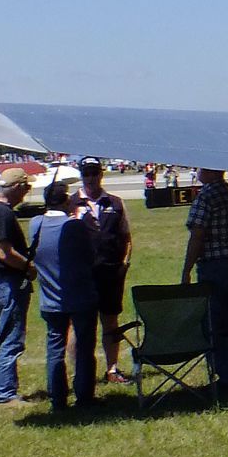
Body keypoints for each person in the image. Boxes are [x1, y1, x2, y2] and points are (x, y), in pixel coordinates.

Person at [28, 181, 98, 411]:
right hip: (78, 295)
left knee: (55, 348)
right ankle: (84, 396)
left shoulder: (35, 224)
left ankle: (58, 398)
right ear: (66, 200)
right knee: (83, 348)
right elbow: (90, 256)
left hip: (49, 297)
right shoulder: (74, 226)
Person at [182, 167, 228, 385]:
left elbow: (197, 236)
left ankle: (225, 374)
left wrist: (187, 268)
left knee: (214, 322)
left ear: (210, 172)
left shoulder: (206, 197)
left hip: (214, 264)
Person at [0, 168, 37, 407]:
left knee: (7, 336)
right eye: (26, 188)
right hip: (8, 283)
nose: (27, 193)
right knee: (12, 339)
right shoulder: (3, 213)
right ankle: (4, 394)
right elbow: (5, 252)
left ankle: (4, 390)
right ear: (17, 188)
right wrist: (29, 267)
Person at [75, 159, 135, 384]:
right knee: (80, 323)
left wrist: (125, 264)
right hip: (83, 276)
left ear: (101, 175)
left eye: (94, 173)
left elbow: (127, 237)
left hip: (110, 275)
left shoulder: (116, 203)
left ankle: (112, 369)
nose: (90, 178)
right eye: (86, 173)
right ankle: (81, 372)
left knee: (111, 321)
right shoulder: (72, 204)